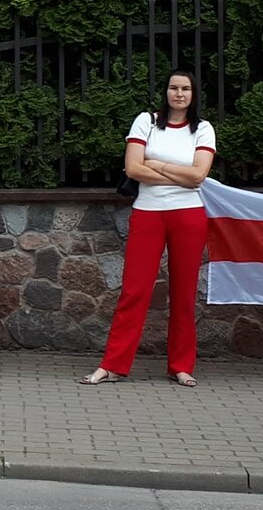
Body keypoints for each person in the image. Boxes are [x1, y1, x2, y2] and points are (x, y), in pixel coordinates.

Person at [81, 71, 215, 387]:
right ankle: (112, 365)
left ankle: (181, 366)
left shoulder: (203, 129)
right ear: (165, 92)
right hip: (148, 214)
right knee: (134, 291)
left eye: (185, 89)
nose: (179, 94)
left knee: (184, 294)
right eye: (173, 88)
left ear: (193, 94)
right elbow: (132, 168)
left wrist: (155, 165)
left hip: (188, 215)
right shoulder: (147, 122)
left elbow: (198, 176)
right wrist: (178, 175)